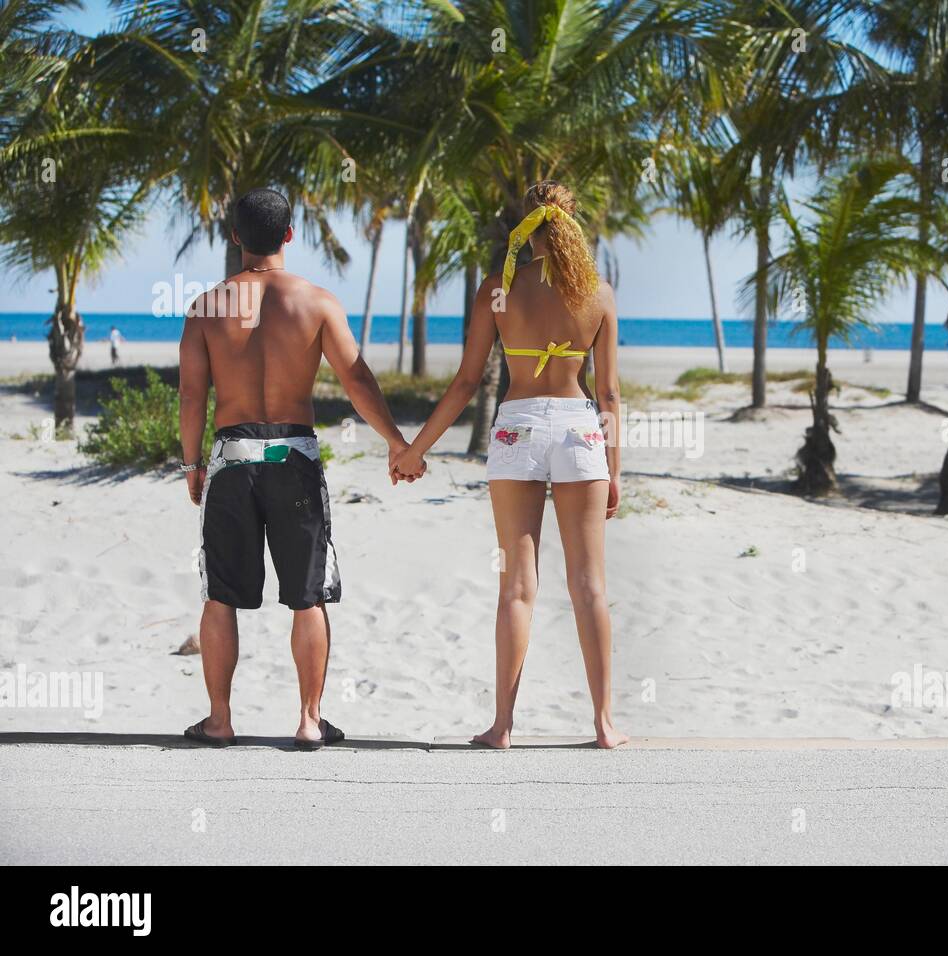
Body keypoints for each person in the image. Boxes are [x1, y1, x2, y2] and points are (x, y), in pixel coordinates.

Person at [178, 187, 424, 750]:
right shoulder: (317, 302)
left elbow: (193, 396)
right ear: (290, 235)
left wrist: (192, 464)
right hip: (293, 457)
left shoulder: (207, 307)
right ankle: (311, 720)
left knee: (221, 594)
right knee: (307, 595)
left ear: (235, 237)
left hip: (233, 459)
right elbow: (357, 379)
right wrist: (397, 442)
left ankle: (219, 720)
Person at [392, 181, 627, 749]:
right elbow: (612, 394)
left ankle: (502, 726)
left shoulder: (497, 290)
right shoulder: (598, 294)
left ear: (528, 222)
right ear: (570, 222)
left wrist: (415, 448)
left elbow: (467, 380)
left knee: (516, 588)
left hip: (516, 427)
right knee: (590, 586)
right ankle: (604, 725)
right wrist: (615, 470)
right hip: (577, 428)